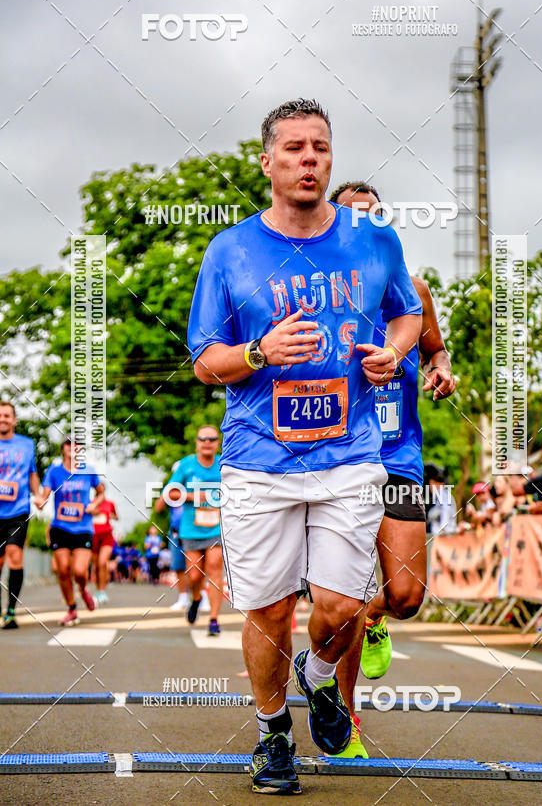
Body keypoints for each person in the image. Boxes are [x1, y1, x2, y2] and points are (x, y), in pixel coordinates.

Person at [188, 99, 422, 794]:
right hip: (259, 459)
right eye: (293, 148)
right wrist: (260, 351)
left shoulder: (373, 239)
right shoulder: (230, 251)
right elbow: (205, 360)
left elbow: (407, 311)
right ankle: (272, 735)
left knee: (343, 608)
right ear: (268, 163)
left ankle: (317, 679)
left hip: (350, 455)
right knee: (265, 614)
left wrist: (395, 352)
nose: (309, 159)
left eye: (319, 146)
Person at [329, 181, 456, 756]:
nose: (366, 223)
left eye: (374, 213)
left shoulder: (414, 290)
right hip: (342, 463)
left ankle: (380, 617)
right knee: (345, 600)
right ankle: (347, 721)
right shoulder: (322, 291)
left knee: (405, 596)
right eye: (352, 215)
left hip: (400, 458)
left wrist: (441, 369)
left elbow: (435, 349)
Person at [36, 439, 105, 626]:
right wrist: (39, 501)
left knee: (80, 571)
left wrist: (94, 505)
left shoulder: (89, 471)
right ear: (63, 449)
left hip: (83, 528)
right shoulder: (54, 471)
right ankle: (72, 608)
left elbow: (101, 492)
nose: (72, 447)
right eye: (68, 444)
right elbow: (44, 496)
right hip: (60, 527)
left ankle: (83, 590)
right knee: (63, 569)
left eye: (77, 444)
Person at [162, 426, 223, 634]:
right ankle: (196, 599)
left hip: (216, 527)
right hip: (191, 529)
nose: (207, 442)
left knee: (215, 569)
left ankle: (214, 620)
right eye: (203, 438)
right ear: (197, 442)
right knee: (195, 576)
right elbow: (169, 492)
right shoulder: (187, 465)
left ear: (217, 442)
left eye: (212, 439)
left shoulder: (224, 463)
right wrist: (194, 496)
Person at [0, 402, 40, 629]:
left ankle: (11, 611)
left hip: (18, 510)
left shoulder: (27, 445)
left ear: (14, 420)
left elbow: (32, 473)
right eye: (0, 416)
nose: (3, 419)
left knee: (14, 555)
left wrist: (38, 494)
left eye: (7, 415)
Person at [154, 489, 191, 610]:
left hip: (194, 531)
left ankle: (201, 596)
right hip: (176, 532)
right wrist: (166, 493)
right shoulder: (171, 490)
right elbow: (158, 508)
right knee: (179, 566)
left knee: (196, 566)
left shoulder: (195, 483)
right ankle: (183, 597)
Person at [91, 495, 118, 604]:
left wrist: (113, 516)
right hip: (93, 537)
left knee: (102, 563)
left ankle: (102, 591)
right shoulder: (90, 503)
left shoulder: (110, 503)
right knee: (96, 566)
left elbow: (116, 516)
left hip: (106, 536)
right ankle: (97, 590)